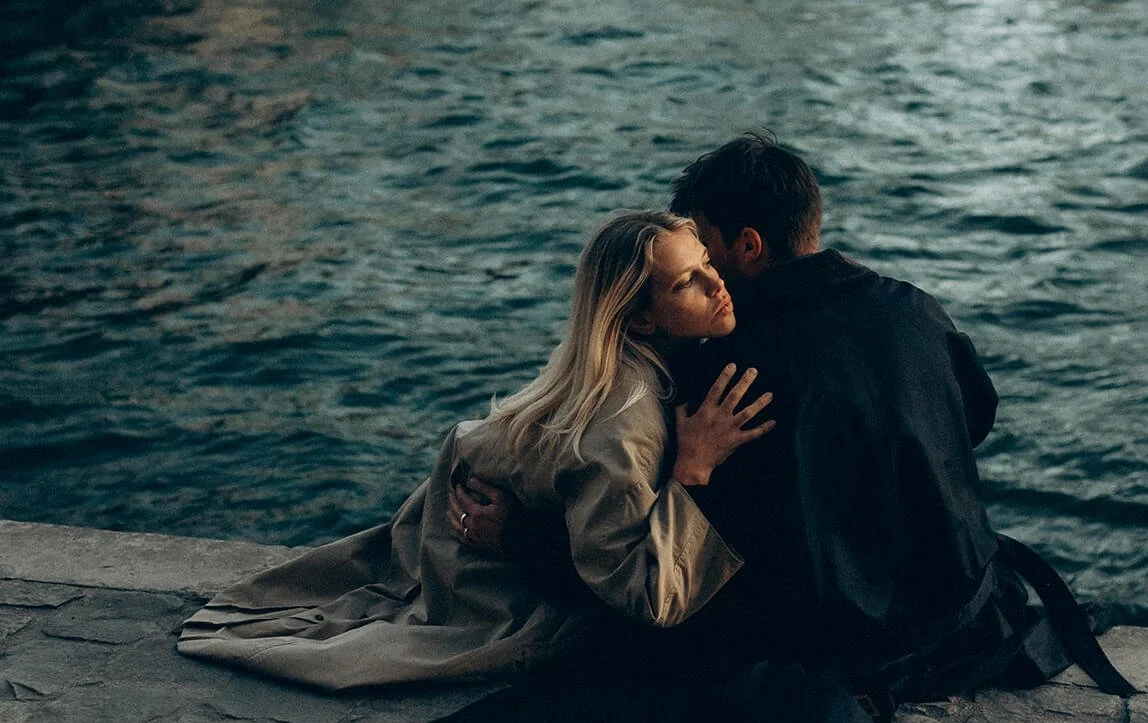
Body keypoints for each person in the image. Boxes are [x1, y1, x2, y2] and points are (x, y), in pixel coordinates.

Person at [177, 210, 775, 690]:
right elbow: (648, 597)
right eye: (686, 282)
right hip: (469, 569)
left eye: (704, 265)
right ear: (641, 322)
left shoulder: (636, 368)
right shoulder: (624, 424)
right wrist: (693, 468)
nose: (717, 282)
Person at [651, 132, 1132, 706]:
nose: (704, 269)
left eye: (706, 249)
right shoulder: (915, 308)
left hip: (847, 637)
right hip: (954, 609)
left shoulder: (729, 365)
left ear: (748, 245)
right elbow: (975, 418)